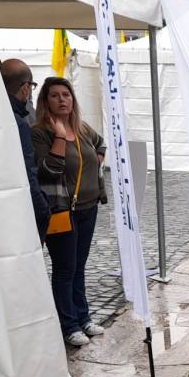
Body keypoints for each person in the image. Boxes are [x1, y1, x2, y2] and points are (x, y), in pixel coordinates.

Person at [31, 77, 108, 347]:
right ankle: (69, 325)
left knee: (79, 266)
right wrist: (60, 137)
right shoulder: (40, 132)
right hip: (63, 211)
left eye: (67, 94)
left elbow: (101, 144)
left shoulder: (83, 128)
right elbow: (48, 170)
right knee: (65, 268)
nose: (62, 100)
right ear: (45, 101)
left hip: (88, 208)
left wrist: (97, 160)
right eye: (55, 95)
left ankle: (83, 317)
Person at [0, 59, 50, 242]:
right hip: (19, 208)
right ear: (25, 88)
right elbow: (28, 172)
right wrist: (42, 210)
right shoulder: (18, 123)